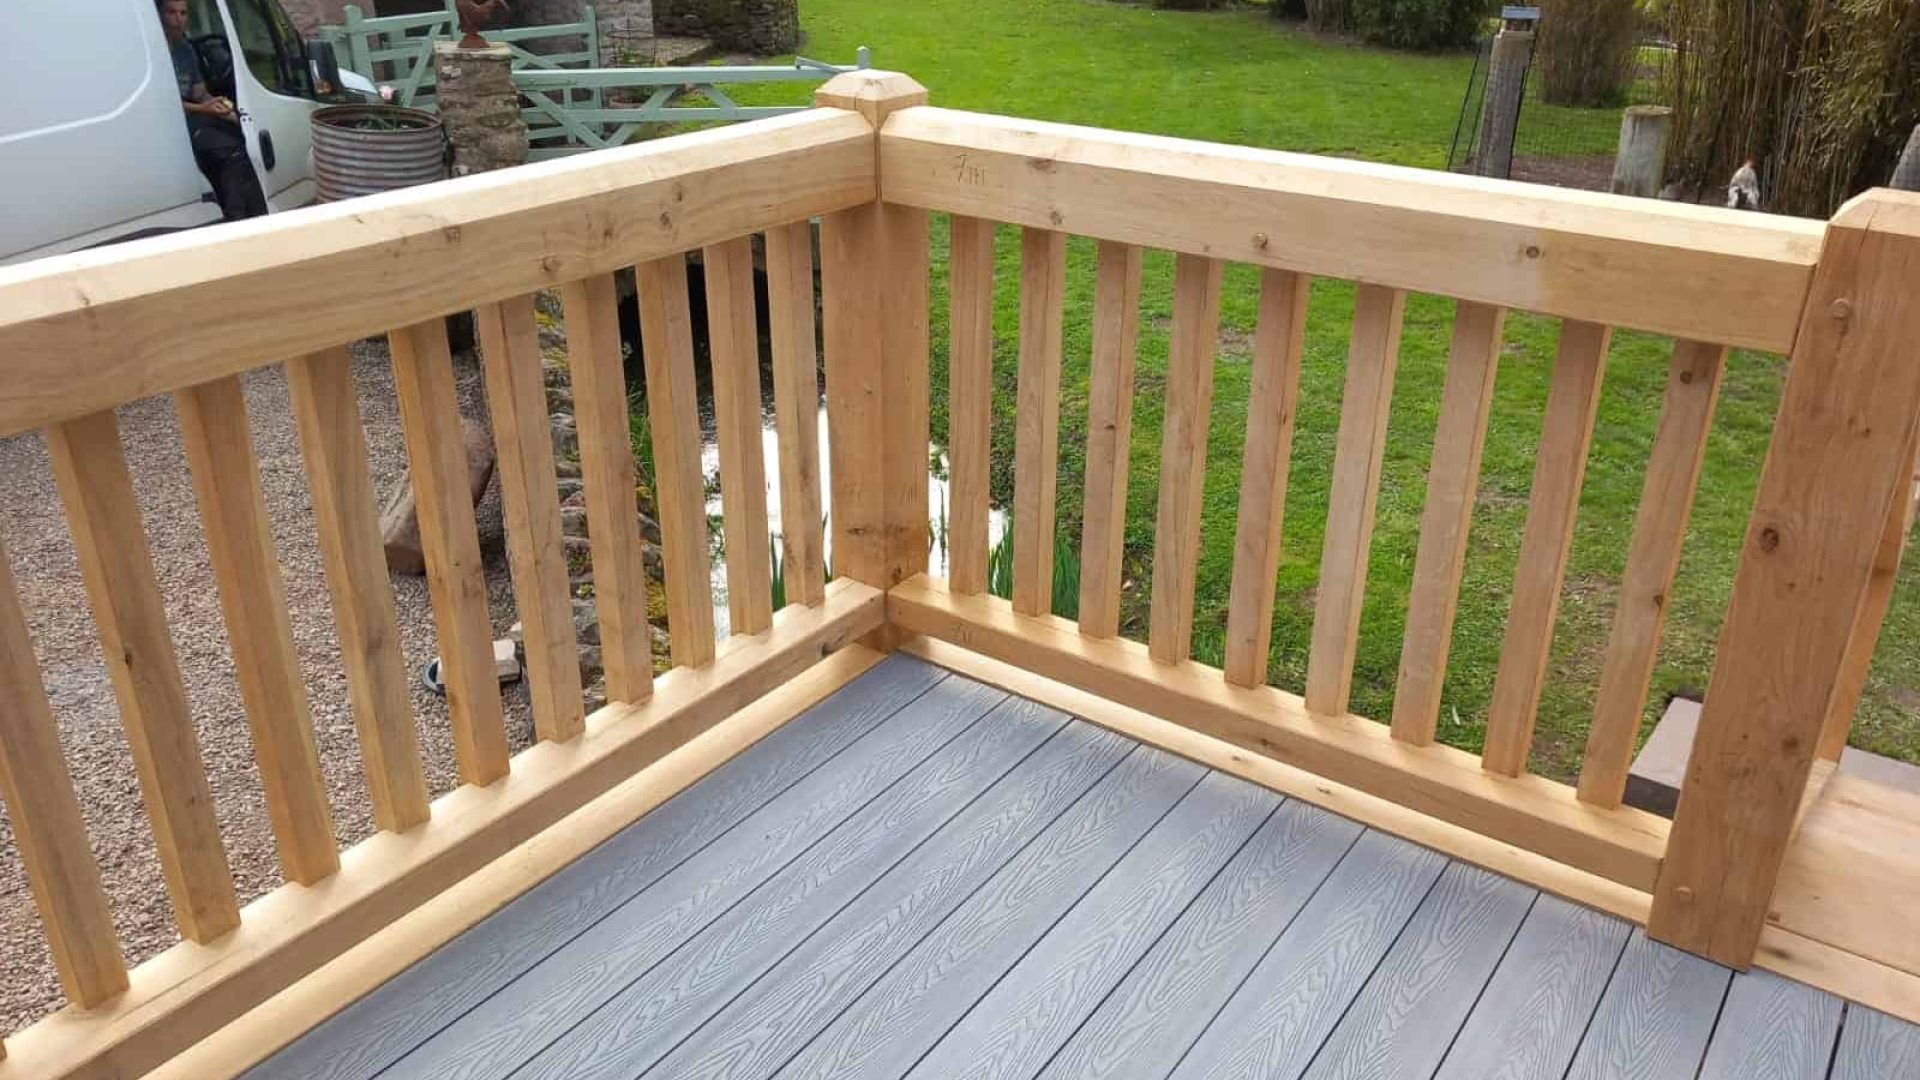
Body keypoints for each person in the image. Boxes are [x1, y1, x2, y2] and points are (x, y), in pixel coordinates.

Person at [156, 0, 268, 220]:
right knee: (223, 149)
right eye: (172, 13)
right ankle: (237, 216)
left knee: (239, 145)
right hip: (172, 123)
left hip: (197, 116)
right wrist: (202, 108)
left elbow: (199, 93)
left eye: (183, 13)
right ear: (160, 15)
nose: (178, 19)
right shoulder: (155, 51)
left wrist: (220, 106)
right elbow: (160, 101)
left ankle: (252, 216)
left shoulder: (185, 50)